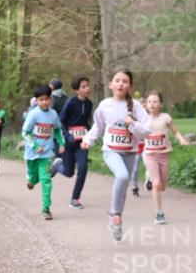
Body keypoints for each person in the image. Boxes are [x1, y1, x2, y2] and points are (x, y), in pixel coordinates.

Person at [81, 67, 151, 241]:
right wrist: (88, 140)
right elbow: (98, 126)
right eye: (118, 80)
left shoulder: (135, 106)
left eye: (125, 81)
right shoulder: (105, 105)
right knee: (122, 176)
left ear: (130, 86)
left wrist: (133, 124)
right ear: (111, 84)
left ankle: (117, 219)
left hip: (130, 152)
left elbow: (146, 131)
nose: (121, 84)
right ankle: (114, 213)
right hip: (111, 151)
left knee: (124, 184)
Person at [140, 91, 189, 224]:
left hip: (164, 155)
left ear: (160, 104)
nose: (152, 104)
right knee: (156, 184)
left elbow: (175, 131)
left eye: (155, 101)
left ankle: (149, 177)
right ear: (145, 104)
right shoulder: (143, 119)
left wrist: (182, 139)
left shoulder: (165, 117)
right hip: (150, 155)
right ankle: (159, 213)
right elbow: (135, 132)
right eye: (149, 102)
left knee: (162, 186)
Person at [22, 84, 65, 220]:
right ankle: (32, 180)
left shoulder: (53, 114)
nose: (44, 102)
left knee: (46, 180)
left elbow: (57, 129)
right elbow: (25, 132)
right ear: (36, 100)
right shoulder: (33, 114)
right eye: (41, 99)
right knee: (34, 176)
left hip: (46, 154)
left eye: (46, 99)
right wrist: (34, 145)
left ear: (50, 99)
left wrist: (62, 143)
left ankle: (46, 208)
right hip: (32, 154)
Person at [55, 75, 93, 209]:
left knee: (83, 168)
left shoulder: (89, 104)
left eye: (87, 85)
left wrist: (90, 134)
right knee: (69, 172)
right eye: (83, 87)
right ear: (77, 90)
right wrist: (66, 135)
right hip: (69, 142)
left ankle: (75, 198)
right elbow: (60, 121)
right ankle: (57, 165)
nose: (87, 88)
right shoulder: (71, 102)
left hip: (82, 142)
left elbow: (85, 122)